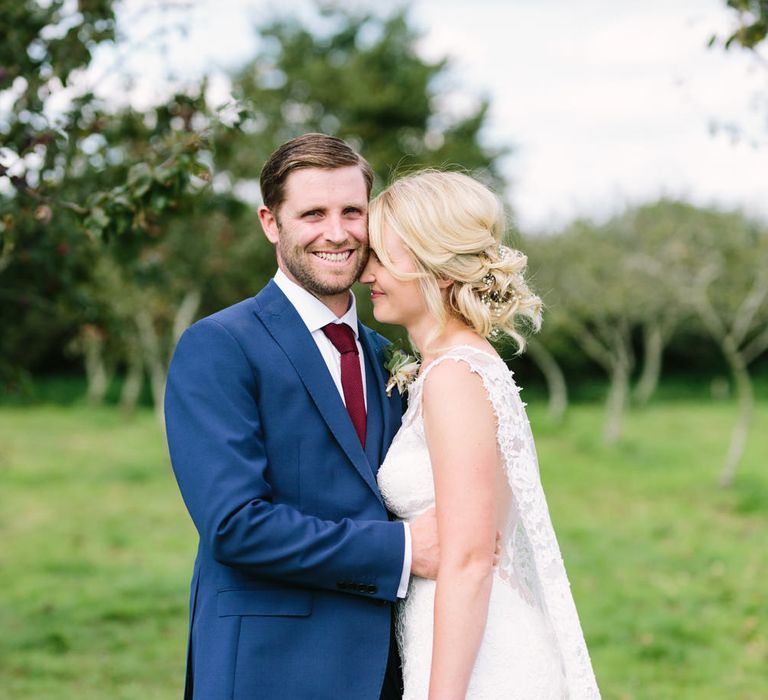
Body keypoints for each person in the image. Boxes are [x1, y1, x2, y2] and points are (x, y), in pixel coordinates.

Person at [164, 133, 440, 700]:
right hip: (270, 669)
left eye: (352, 212)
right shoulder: (219, 345)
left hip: (390, 669)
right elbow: (234, 525)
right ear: (271, 222)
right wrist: (405, 550)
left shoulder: (392, 358)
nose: (336, 233)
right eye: (312, 213)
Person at [360, 170, 601, 699]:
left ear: (439, 268)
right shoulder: (448, 367)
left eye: (381, 256)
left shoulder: (454, 376)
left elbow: (468, 559)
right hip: (459, 638)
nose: (366, 273)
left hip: (480, 661)